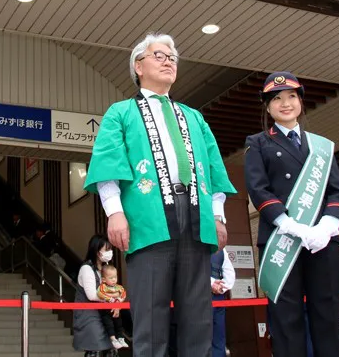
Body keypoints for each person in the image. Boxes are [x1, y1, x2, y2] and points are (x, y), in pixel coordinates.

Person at [84, 33, 236, 357]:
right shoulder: (120, 112)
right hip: (147, 221)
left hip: (197, 220)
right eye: (159, 55)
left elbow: (214, 170)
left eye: (173, 57)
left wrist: (219, 216)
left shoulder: (194, 116)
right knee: (150, 322)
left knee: (198, 320)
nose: (169, 61)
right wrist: (114, 212)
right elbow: (108, 165)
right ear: (138, 65)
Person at [244, 72, 339, 357]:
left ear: (301, 101)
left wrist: (326, 226)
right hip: (281, 239)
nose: (285, 103)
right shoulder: (258, 142)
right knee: (286, 320)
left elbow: (337, 192)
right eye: (276, 99)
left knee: (327, 314)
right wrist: (291, 225)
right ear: (267, 107)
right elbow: (259, 190)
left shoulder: (321, 146)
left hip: (322, 242)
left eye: (291, 96)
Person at [73, 234, 120, 356]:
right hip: (89, 316)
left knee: (111, 350)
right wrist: (112, 299)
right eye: (107, 249)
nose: (109, 252)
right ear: (97, 251)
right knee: (96, 348)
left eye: (110, 249)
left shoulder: (106, 269)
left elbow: (115, 290)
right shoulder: (86, 268)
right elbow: (92, 295)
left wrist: (117, 304)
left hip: (105, 315)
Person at [97, 264, 129, 351]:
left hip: (116, 309)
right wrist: (111, 299)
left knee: (119, 323)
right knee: (109, 324)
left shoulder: (119, 287)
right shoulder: (103, 286)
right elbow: (100, 294)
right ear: (104, 279)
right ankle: (113, 339)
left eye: (115, 277)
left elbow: (123, 294)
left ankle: (121, 338)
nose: (114, 280)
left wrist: (118, 301)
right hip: (106, 310)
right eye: (111, 278)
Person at [210, 248, 235, 357]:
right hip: (217, 297)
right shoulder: (221, 248)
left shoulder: (193, 243)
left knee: (199, 340)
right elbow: (229, 275)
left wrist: (215, 286)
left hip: (201, 296)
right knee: (218, 340)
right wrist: (220, 287)